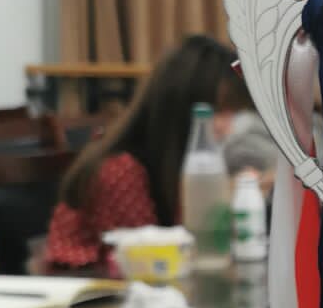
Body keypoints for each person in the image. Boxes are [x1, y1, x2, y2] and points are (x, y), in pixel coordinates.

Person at [45, 35, 250, 271]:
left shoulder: (175, 163)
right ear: (181, 107)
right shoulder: (121, 171)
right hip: (89, 288)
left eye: (232, 113)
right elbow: (151, 262)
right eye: (219, 112)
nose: (228, 128)